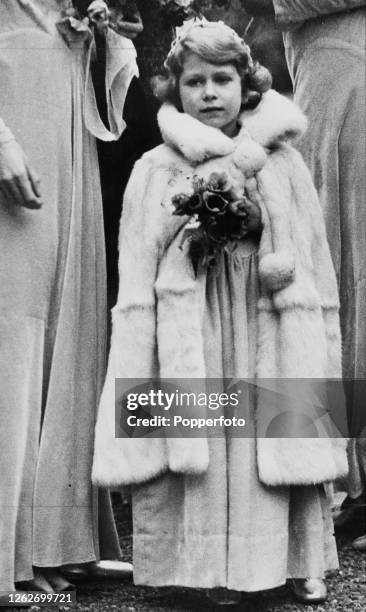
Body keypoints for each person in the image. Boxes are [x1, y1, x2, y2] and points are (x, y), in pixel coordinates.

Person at [92, 19, 348, 606]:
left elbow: (309, 252)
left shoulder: (282, 162)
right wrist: (190, 228)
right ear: (174, 90)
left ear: (247, 87)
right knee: (201, 436)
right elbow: (137, 263)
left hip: (265, 313)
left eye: (223, 80)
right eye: (195, 81)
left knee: (279, 429)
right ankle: (202, 565)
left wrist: (261, 225)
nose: (209, 93)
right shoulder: (156, 166)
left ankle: (297, 559)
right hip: (193, 321)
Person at [0, 0, 138, 596]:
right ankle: (12, 548)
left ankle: (54, 536)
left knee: (71, 313)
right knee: (15, 316)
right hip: (14, 96)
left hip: (69, 107)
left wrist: (105, 31)